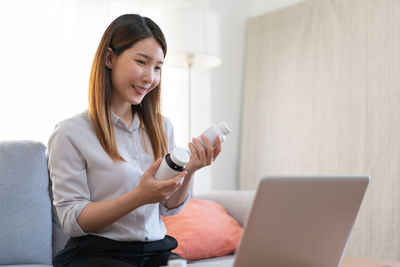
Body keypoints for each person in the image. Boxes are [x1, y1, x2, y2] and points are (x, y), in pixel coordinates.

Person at [48, 14, 222, 267]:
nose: (150, 77)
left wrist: (191, 170)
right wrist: (139, 196)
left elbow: (168, 206)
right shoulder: (70, 133)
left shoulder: (162, 127)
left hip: (156, 250)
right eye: (141, 62)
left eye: (158, 67)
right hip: (97, 254)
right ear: (109, 58)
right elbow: (73, 221)